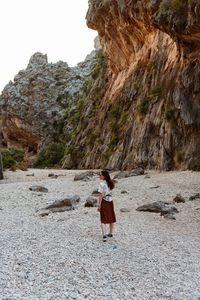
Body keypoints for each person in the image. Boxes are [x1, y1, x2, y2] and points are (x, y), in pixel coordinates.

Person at [97, 170, 116, 242]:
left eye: (100, 175)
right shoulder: (110, 183)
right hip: (111, 201)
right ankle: (111, 233)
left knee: (103, 218)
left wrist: (99, 205)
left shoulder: (101, 184)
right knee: (111, 216)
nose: (99, 176)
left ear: (104, 176)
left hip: (105, 202)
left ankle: (104, 235)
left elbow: (100, 196)